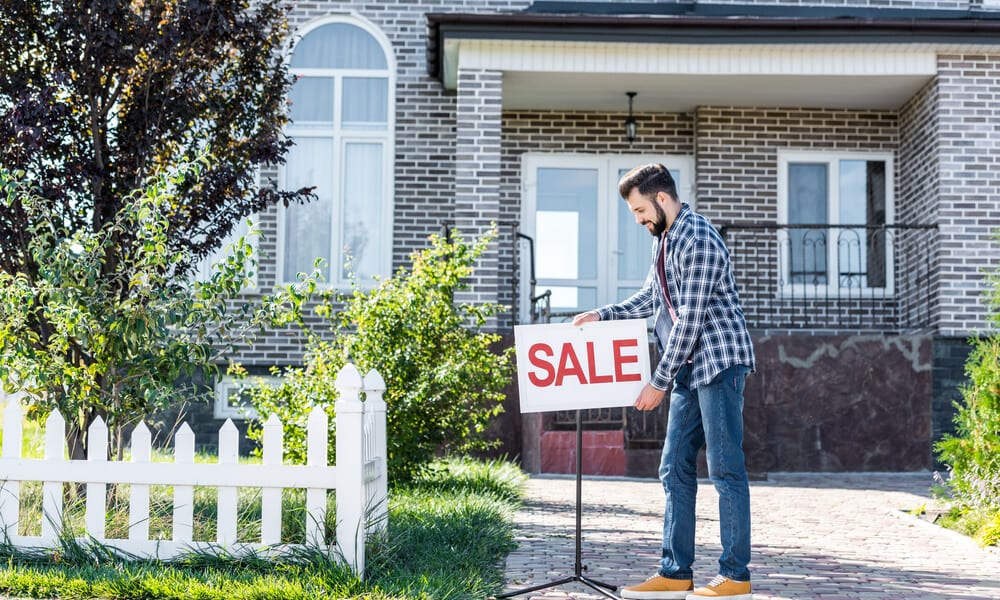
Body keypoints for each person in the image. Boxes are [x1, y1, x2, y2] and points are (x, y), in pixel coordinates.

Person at [572, 163, 756, 600]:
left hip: (719, 361)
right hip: (690, 368)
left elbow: (690, 320)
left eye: (639, 210)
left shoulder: (698, 238)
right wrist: (603, 314)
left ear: (660, 198)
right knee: (674, 467)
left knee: (726, 468)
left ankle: (735, 576)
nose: (638, 220)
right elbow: (652, 298)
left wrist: (657, 381)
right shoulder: (667, 240)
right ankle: (675, 572)